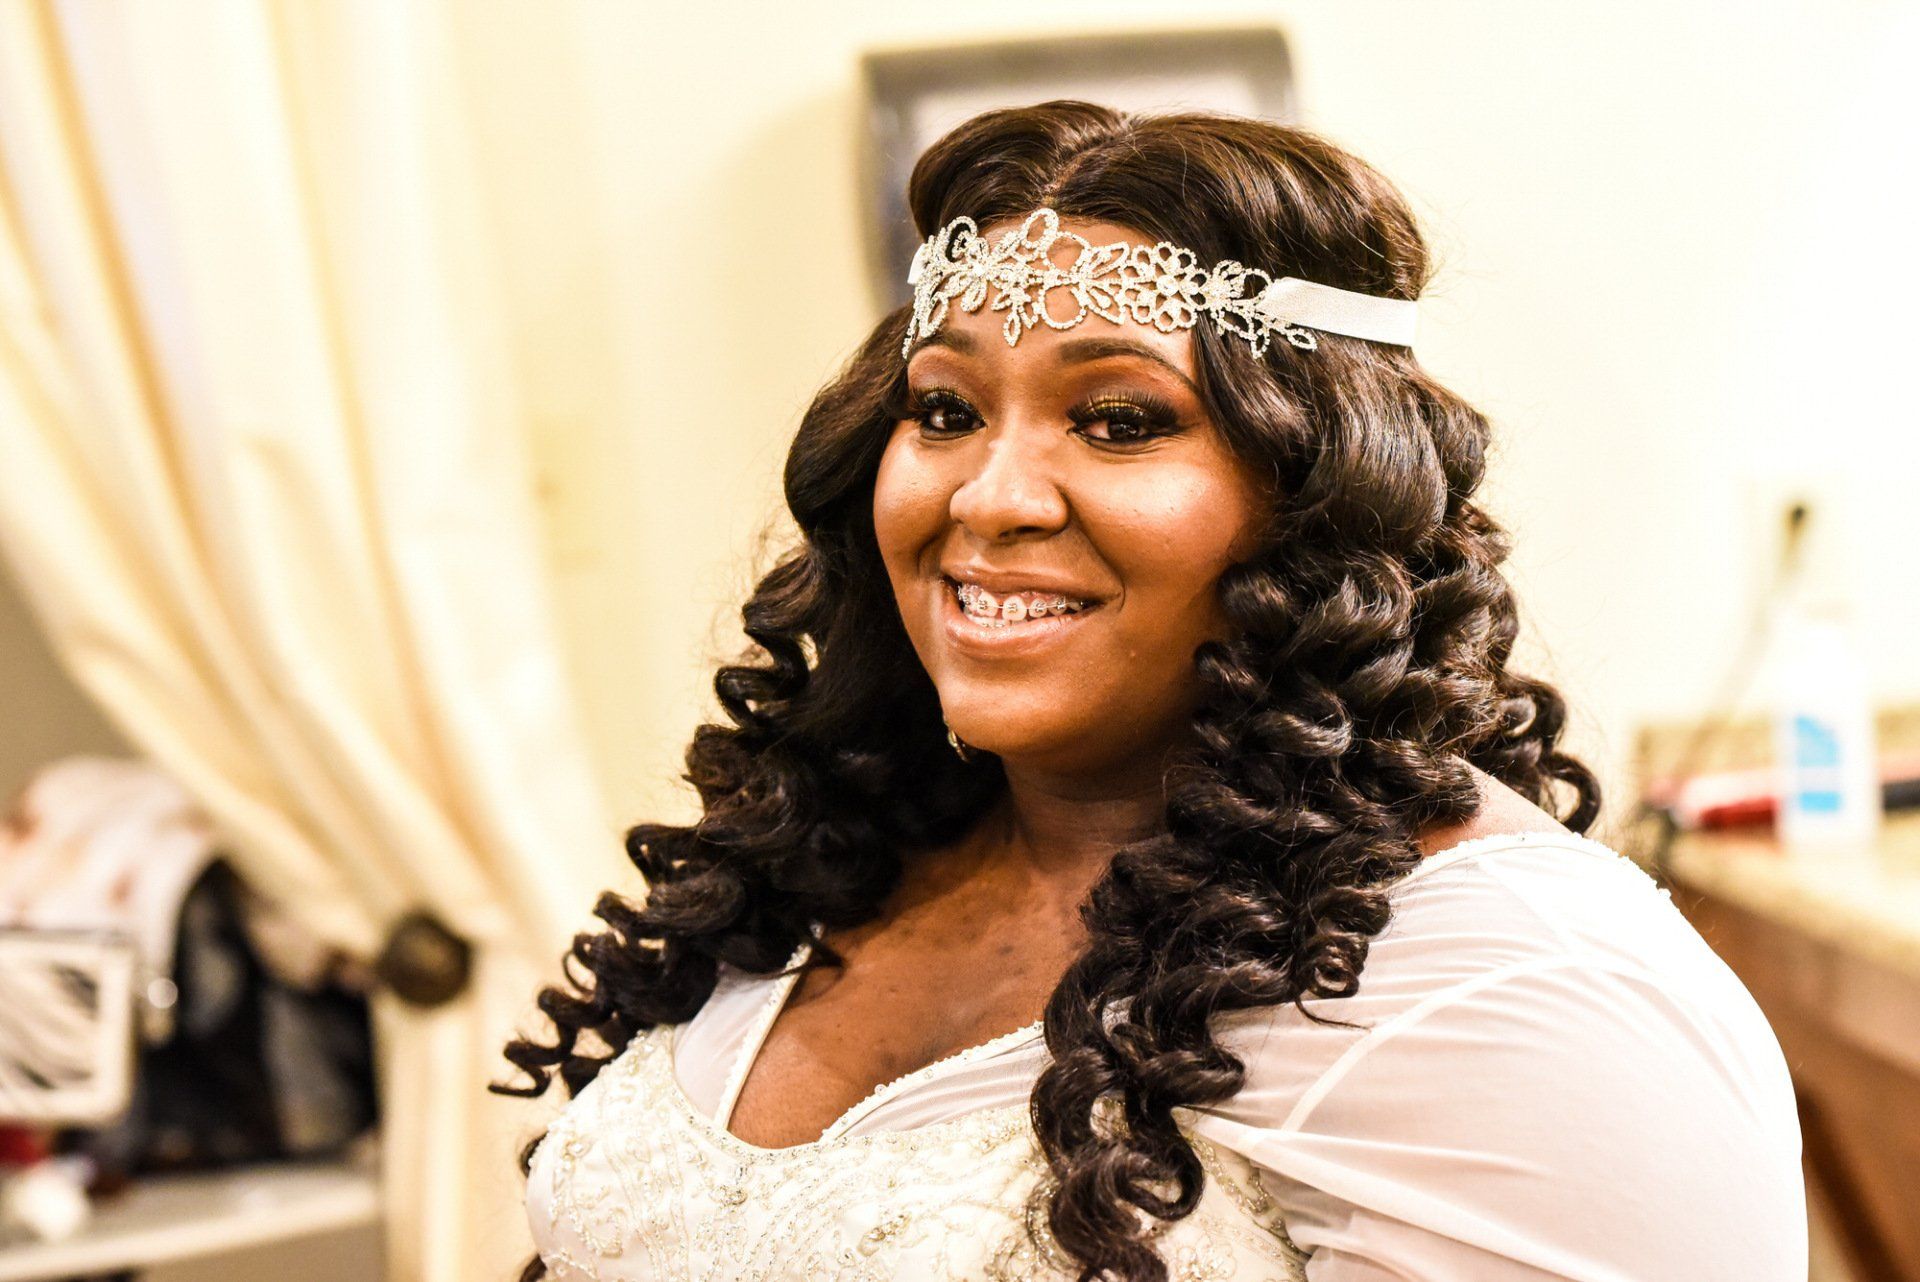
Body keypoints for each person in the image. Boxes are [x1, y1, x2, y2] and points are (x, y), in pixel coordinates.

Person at [491, 100, 1806, 1281]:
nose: (990, 496)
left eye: (1119, 420)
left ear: (1322, 496)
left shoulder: (1514, 991)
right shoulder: (839, 855)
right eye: (945, 410)